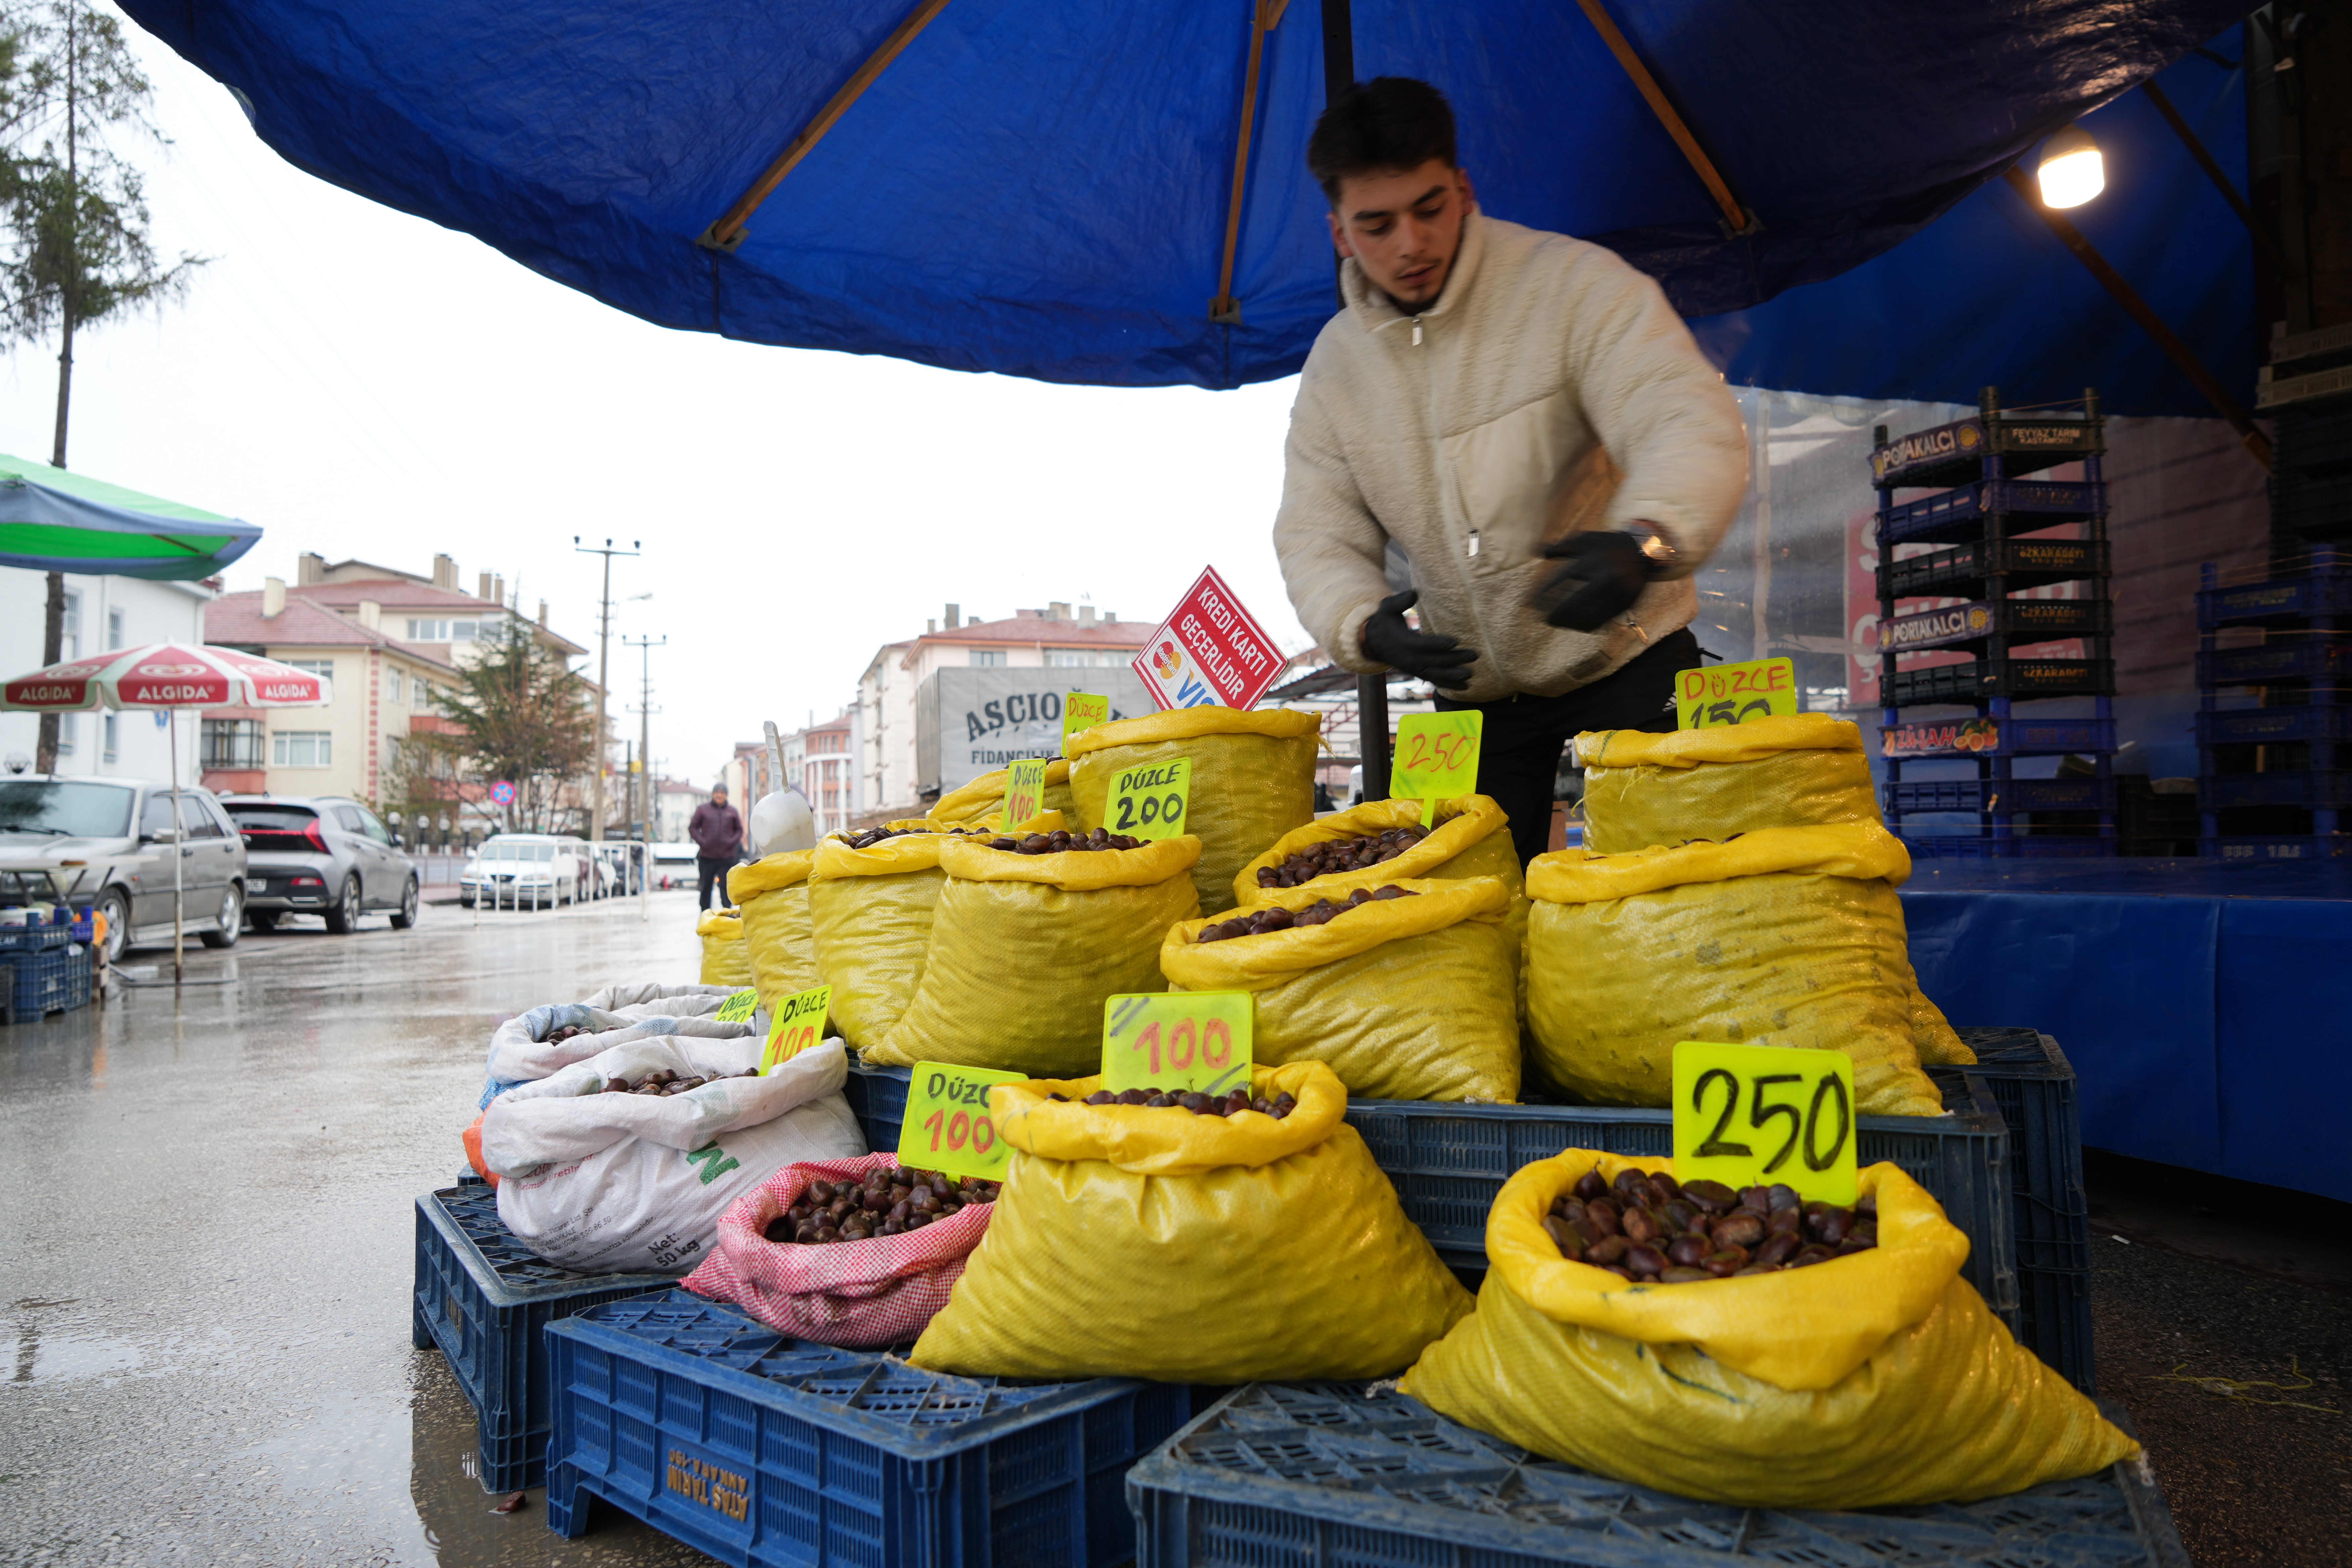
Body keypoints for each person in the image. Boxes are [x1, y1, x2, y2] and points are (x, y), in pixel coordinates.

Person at [1273, 78, 1749, 868]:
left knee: (1681, 885)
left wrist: (1649, 541)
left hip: (1630, 657)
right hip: (1473, 693)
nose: (1410, 245)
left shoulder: (1575, 287)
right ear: (1339, 234)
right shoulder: (1334, 370)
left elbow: (1684, 417)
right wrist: (1361, 622)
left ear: (1464, 189)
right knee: (1466, 914)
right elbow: (1314, 530)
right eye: (1377, 224)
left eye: (1428, 208)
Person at [688, 784, 743, 911]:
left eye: (722, 793)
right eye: (717, 793)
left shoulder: (732, 811)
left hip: (727, 858)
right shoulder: (703, 810)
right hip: (707, 857)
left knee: (726, 887)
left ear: (726, 795)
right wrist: (703, 842)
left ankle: (728, 913)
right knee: (706, 887)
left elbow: (739, 831)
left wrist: (731, 843)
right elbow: (693, 828)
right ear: (713, 794)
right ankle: (705, 914)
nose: (719, 795)